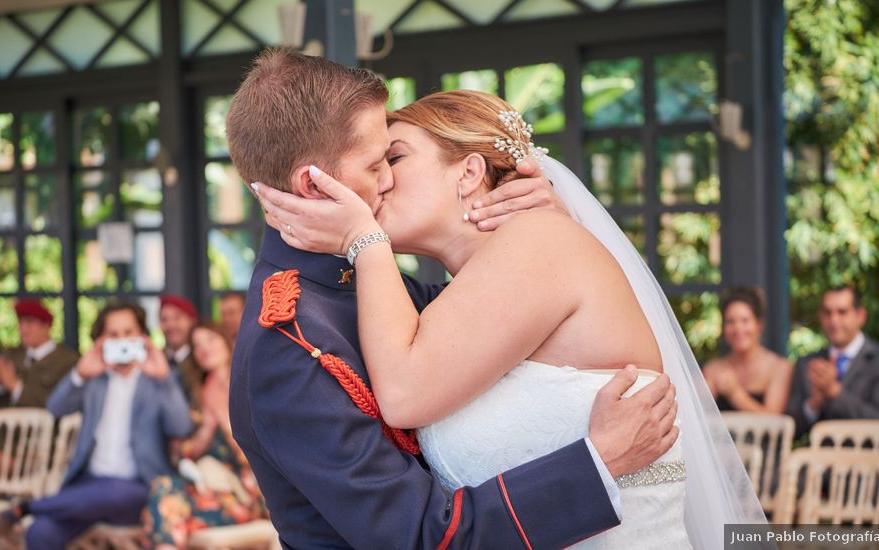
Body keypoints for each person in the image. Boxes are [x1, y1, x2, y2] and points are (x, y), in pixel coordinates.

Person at [255, 88, 766, 548]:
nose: (382, 181)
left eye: (396, 157)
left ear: (470, 171)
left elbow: (404, 395)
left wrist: (364, 242)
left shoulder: (538, 240)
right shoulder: (455, 300)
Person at [0, 301, 193, 549]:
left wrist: (164, 379)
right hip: (87, 485)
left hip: (138, 489)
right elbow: (55, 409)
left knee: (115, 491)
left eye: (128, 333)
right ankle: (36, 509)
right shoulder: (95, 378)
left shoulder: (159, 379)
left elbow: (181, 427)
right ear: (101, 339)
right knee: (40, 532)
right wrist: (79, 374)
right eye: (113, 334)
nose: (122, 340)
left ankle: (25, 507)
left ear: (143, 336)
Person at [143, 322, 265, 549]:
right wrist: (208, 424)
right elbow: (182, 453)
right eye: (197, 345)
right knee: (164, 488)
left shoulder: (251, 385)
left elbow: (259, 456)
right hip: (209, 487)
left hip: (250, 493)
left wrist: (223, 419)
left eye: (210, 339)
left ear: (226, 341)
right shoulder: (199, 393)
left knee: (169, 512)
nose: (203, 349)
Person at [786, 285, 879, 438]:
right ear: (820, 316)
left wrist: (834, 391)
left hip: (870, 460)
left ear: (860, 316)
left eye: (842, 312)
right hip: (819, 459)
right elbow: (790, 429)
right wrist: (813, 404)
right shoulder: (807, 363)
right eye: (827, 313)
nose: (834, 320)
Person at [0, 299, 78, 411]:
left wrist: (15, 386)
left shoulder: (67, 360)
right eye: (20, 322)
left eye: (29, 322)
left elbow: (60, 402)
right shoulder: (11, 355)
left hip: (44, 427)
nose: (23, 329)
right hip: (1, 426)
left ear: (46, 325)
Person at [703, 287, 793, 413]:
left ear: (759, 324)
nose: (738, 328)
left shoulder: (779, 368)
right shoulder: (712, 370)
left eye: (745, 321)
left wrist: (735, 394)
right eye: (730, 321)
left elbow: (775, 421)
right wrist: (705, 399)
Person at [160, 294, 202, 409]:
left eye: (177, 318)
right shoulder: (157, 359)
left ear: (192, 321)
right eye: (164, 319)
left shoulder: (201, 359)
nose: (170, 325)